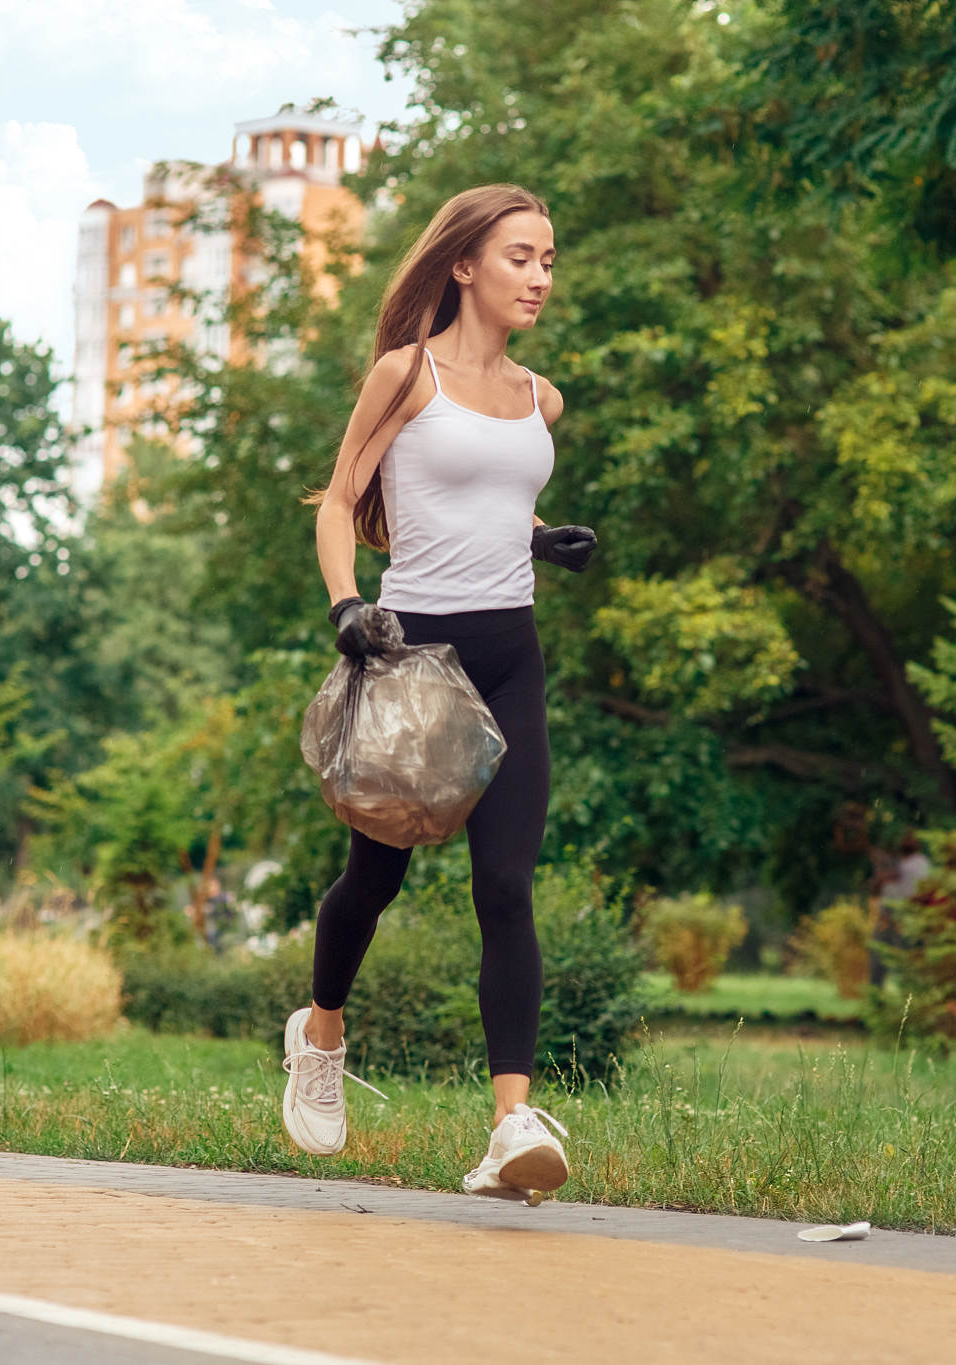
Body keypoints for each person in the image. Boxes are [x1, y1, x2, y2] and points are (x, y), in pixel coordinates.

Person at [283, 184, 596, 1206]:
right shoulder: (403, 377)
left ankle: (509, 1125)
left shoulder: (541, 398)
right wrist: (344, 607)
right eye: (519, 257)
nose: (540, 276)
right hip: (414, 664)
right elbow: (341, 500)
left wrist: (541, 537)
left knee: (504, 887)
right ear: (463, 266)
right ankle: (319, 1032)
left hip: (511, 660)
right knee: (371, 883)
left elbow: (487, 504)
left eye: (548, 259)